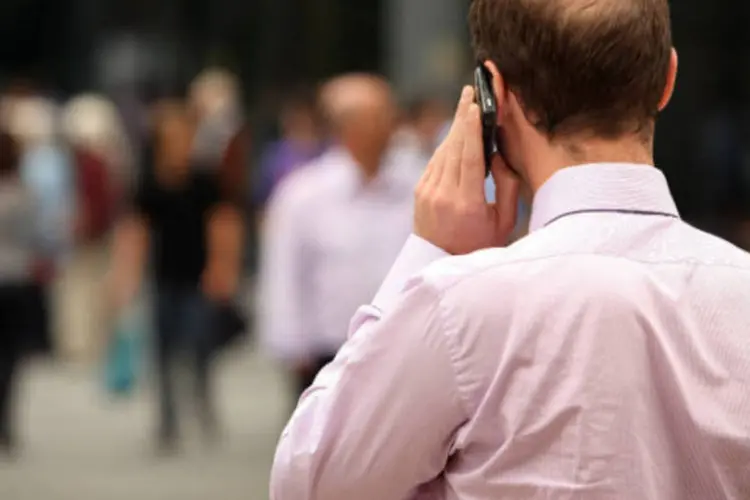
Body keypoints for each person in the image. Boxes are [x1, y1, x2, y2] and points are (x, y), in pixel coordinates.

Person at [270, 1, 750, 498]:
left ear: (493, 91)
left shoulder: (460, 303)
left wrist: (430, 253)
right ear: (667, 79)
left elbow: (309, 482)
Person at [258, 74, 421, 405]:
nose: (389, 126)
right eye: (376, 117)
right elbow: (285, 272)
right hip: (330, 349)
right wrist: (291, 343)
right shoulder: (304, 194)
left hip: (403, 348)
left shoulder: (417, 184)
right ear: (346, 127)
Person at [110, 103, 243, 453]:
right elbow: (135, 233)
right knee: (163, 351)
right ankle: (167, 421)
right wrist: (126, 277)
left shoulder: (204, 180)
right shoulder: (150, 183)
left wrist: (222, 267)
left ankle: (203, 405)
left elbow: (224, 224)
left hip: (198, 278)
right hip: (164, 278)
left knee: (199, 347)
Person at [0, 129, 39, 455]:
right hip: (15, 279)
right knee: (11, 357)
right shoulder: (25, 193)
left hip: (12, 277)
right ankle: (6, 422)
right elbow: (35, 238)